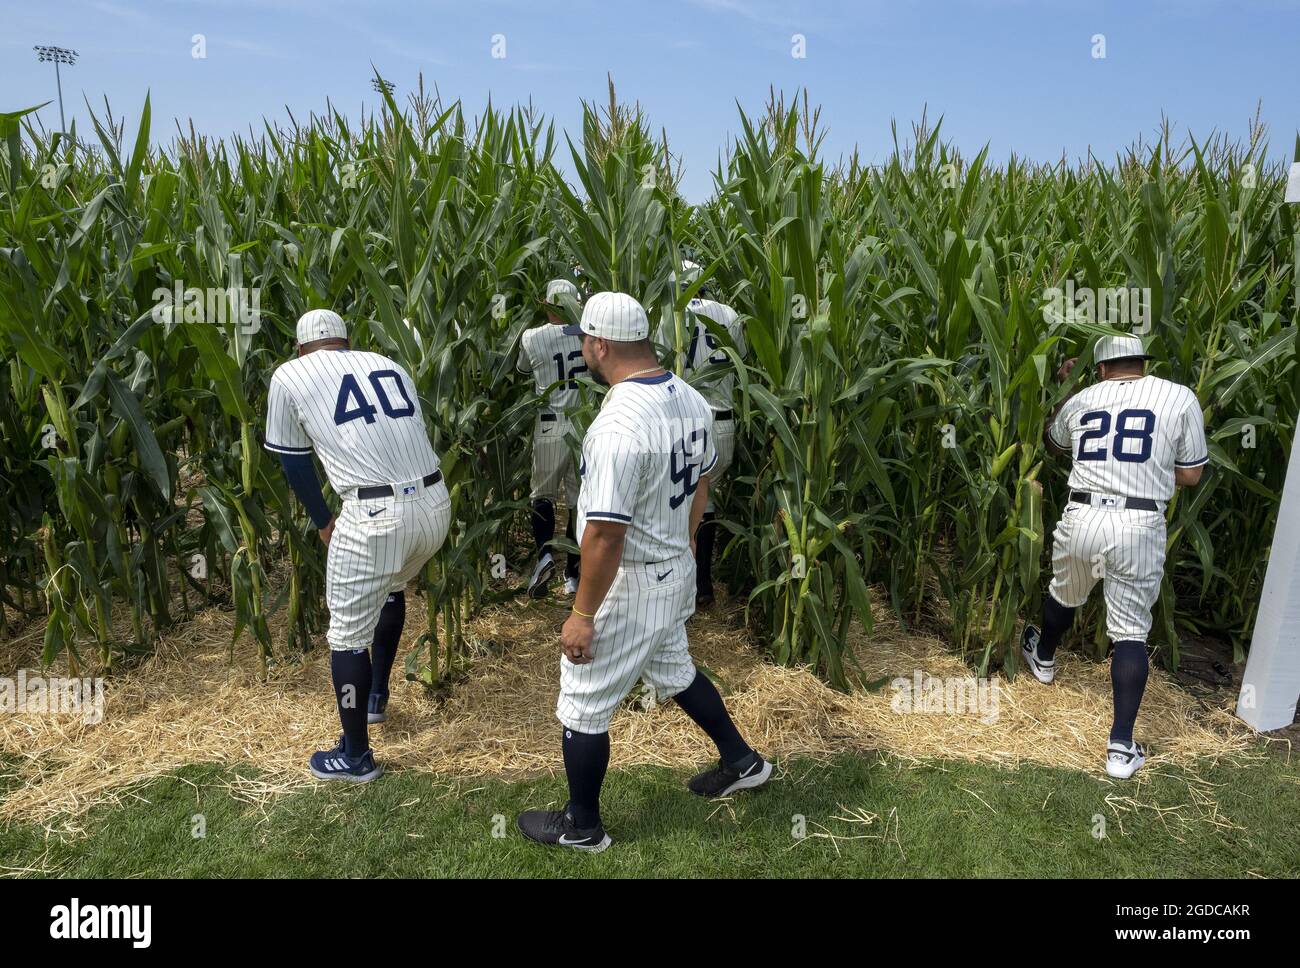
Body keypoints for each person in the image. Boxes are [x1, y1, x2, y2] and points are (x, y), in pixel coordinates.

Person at [517, 292, 771, 852]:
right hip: (672, 569)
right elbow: (704, 482)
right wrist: (680, 545)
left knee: (582, 700)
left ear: (599, 345)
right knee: (675, 670)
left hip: (633, 581)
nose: (582, 346)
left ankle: (582, 826)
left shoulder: (617, 426)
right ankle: (742, 761)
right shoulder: (690, 398)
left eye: (585, 338)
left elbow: (604, 533)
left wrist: (582, 614)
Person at [265, 309, 451, 782]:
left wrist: (324, 521)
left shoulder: (290, 374)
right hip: (434, 504)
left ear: (301, 347)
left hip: (374, 517)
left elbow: (294, 462)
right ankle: (375, 699)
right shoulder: (387, 363)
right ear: (345, 342)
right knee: (392, 586)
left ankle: (355, 755)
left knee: (346, 638)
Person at [1023, 334, 1208, 779]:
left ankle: (1044, 659)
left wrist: (1068, 388)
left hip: (1083, 515)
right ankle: (1121, 748)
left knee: (1065, 594)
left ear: (1102, 368)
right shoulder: (1179, 396)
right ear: (1141, 362)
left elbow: (1054, 445)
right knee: (1129, 633)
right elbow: (1191, 475)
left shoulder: (1086, 397)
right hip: (1138, 524)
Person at [662, 261, 746, 607]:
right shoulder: (729, 314)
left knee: (682, 506)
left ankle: (683, 590)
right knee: (707, 503)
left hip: (685, 424)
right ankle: (704, 585)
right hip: (723, 423)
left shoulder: (668, 316)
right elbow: (739, 361)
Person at [517, 279, 585, 597]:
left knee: (542, 496)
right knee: (577, 501)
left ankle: (544, 556)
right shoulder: (586, 334)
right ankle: (574, 573)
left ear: (546, 304)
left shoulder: (532, 337)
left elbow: (522, 370)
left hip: (548, 425)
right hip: (583, 426)